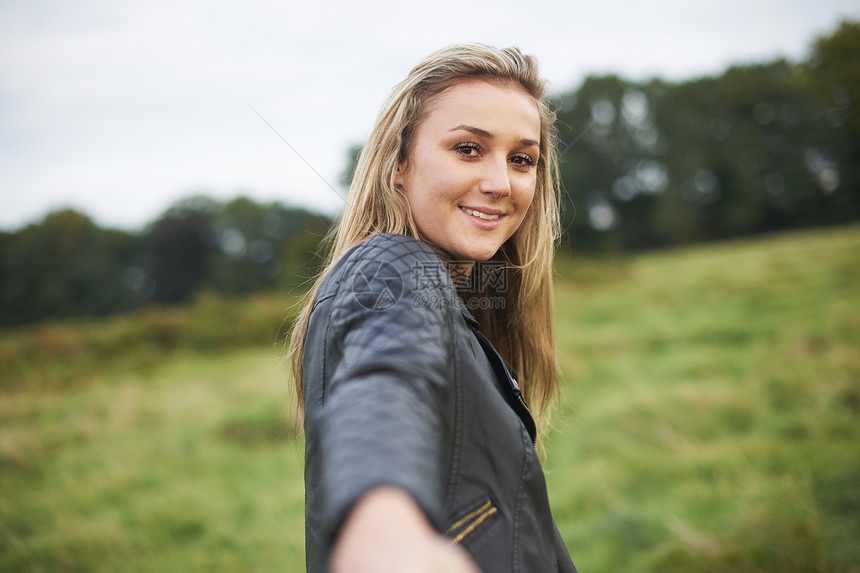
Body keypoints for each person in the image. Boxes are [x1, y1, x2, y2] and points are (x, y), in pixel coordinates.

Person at [288, 43, 576, 573]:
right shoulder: (391, 266)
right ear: (399, 166)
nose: (499, 183)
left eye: (521, 159)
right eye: (468, 149)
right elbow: (388, 379)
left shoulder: (462, 305)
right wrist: (384, 523)